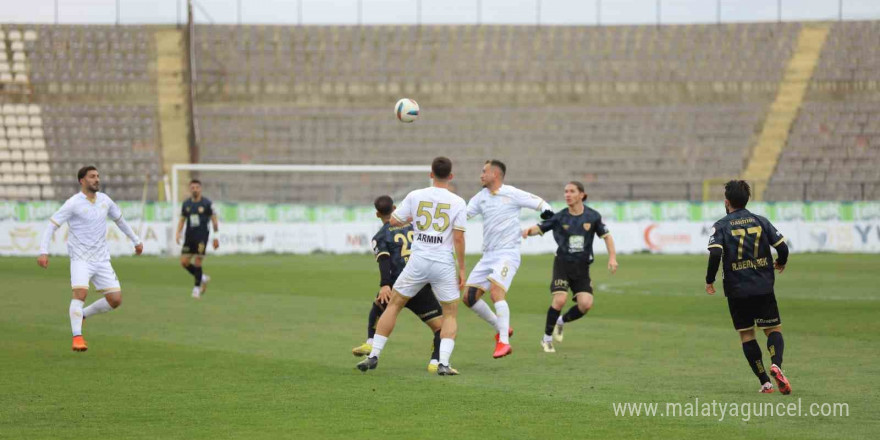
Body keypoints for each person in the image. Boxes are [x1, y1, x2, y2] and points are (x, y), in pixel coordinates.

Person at [357, 157, 467, 376]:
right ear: (451, 176)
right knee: (450, 314)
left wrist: (414, 220)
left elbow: (394, 221)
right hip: (443, 262)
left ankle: (374, 355)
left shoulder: (416, 195)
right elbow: (459, 239)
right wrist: (462, 269)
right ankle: (443, 363)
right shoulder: (458, 202)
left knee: (394, 305)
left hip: (419, 260)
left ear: (431, 174)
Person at [37, 166, 143, 352]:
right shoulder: (73, 203)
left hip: (101, 259)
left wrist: (136, 240)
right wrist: (44, 251)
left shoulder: (105, 200)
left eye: (98, 176)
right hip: (80, 258)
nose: (97, 179)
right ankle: (77, 337)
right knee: (80, 294)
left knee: (115, 299)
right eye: (92, 176)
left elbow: (120, 221)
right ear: (82, 181)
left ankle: (83, 315)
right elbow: (52, 226)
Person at [706, 180, 792, 394]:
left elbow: (715, 252)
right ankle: (776, 365)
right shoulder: (761, 221)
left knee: (747, 335)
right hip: (763, 286)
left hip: (736, 289)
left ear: (727, 202)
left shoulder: (722, 225)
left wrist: (710, 279)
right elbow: (782, 247)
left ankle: (765, 382)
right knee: (773, 329)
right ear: (747, 199)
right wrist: (781, 262)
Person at [464, 160, 554, 358]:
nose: (481, 175)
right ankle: (501, 325)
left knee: (496, 293)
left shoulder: (512, 193)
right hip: (488, 255)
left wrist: (547, 213)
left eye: (484, 171)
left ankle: (503, 342)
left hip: (507, 253)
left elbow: (540, 203)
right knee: (469, 298)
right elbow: (462, 216)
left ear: (495, 174)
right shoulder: (480, 198)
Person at [351, 195, 444, 372]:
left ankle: (371, 344)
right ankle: (435, 361)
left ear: (377, 214)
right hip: (420, 284)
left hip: (398, 286)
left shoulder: (380, 236)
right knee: (441, 328)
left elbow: (384, 261)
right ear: (395, 208)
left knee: (379, 305)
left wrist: (384, 285)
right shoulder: (414, 227)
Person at [522, 181, 618, 353]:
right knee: (560, 300)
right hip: (562, 264)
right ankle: (546, 339)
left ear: (581, 195)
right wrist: (528, 231)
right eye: (565, 191)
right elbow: (540, 227)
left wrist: (612, 258)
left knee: (585, 305)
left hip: (582, 268)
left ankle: (561, 321)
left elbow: (607, 237)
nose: (567, 194)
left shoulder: (593, 216)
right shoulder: (560, 217)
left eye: (572, 191)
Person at [175, 179, 219, 299]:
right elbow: (182, 219)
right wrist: (178, 233)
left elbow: (214, 221)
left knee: (198, 261)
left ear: (201, 189)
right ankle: (202, 278)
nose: (195, 189)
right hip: (189, 236)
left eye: (197, 187)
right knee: (184, 262)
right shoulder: (186, 204)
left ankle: (196, 289)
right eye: (192, 187)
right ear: (190, 189)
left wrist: (216, 237)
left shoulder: (207, 203)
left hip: (202, 236)